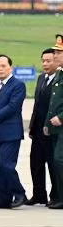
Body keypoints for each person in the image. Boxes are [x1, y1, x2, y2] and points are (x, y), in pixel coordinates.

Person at [0, 54, 27, 208]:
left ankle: (20, 193)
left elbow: (12, 107)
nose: (0, 69)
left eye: (3, 66)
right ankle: (3, 197)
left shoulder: (18, 85)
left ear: (10, 68)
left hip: (10, 132)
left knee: (6, 165)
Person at [27, 48, 58, 206]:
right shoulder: (41, 79)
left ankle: (56, 195)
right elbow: (37, 105)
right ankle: (39, 194)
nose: (45, 64)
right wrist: (32, 127)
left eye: (49, 61)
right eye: (43, 61)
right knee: (36, 163)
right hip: (38, 130)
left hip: (52, 131)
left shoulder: (59, 80)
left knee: (53, 164)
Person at [45, 39, 63, 209]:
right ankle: (59, 196)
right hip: (56, 127)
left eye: (58, 53)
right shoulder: (59, 73)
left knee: (59, 160)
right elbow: (53, 102)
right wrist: (47, 123)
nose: (55, 55)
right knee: (56, 161)